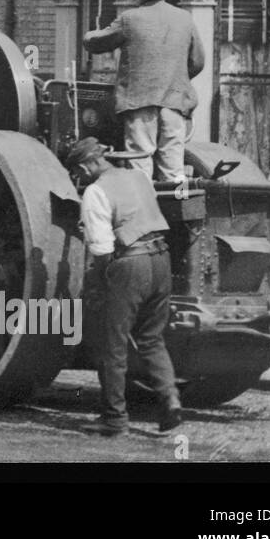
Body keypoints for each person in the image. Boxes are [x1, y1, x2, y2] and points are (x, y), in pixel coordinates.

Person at [66, 137, 183, 437]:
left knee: (112, 344)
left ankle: (115, 420)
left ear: (85, 165)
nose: (78, 179)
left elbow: (102, 249)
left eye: (77, 173)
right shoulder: (139, 176)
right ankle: (170, 398)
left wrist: (100, 282)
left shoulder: (95, 191)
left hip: (130, 264)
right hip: (161, 259)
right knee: (152, 338)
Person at [82, 0, 206, 182]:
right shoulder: (185, 19)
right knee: (174, 170)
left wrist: (88, 35)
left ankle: (141, 212)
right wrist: (174, 78)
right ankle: (174, 214)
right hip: (175, 104)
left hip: (139, 104)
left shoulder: (130, 18)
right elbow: (197, 62)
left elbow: (96, 43)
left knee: (140, 167)